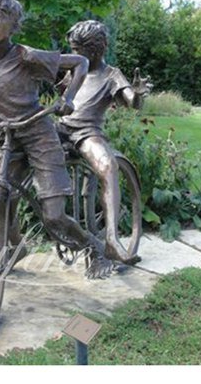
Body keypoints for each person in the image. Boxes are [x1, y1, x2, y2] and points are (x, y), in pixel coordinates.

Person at [0, 0, 110, 277]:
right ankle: (15, 246)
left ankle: (94, 247)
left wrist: (68, 98)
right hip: (4, 136)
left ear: (14, 27)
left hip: (37, 136)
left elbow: (80, 63)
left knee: (53, 217)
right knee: (2, 199)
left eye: (0, 16)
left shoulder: (25, 56)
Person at [57, 19, 152, 263]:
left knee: (108, 166)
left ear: (99, 49)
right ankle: (13, 234)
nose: (75, 56)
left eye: (79, 51)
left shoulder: (112, 75)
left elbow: (132, 102)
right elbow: (62, 94)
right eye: (73, 50)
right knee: (20, 150)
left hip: (87, 134)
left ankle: (112, 239)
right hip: (60, 129)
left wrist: (138, 94)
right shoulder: (74, 71)